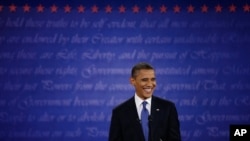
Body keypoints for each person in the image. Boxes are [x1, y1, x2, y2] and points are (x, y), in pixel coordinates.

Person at [108, 62, 181, 141]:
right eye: (144, 80)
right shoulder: (120, 112)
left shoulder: (168, 108)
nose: (150, 84)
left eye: (153, 79)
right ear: (133, 81)